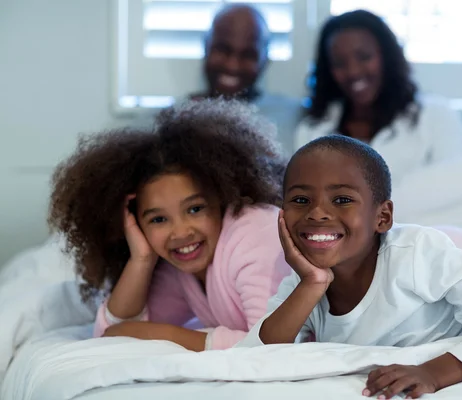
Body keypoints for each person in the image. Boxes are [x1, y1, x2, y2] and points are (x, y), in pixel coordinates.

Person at [238, 135, 462, 399]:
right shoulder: (302, 285)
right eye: (301, 200)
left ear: (383, 217)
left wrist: (435, 372)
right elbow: (256, 354)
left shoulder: (415, 253)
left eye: (342, 199)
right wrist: (312, 282)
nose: (317, 212)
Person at [48, 99, 290, 351]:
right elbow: (113, 333)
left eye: (195, 209)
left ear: (220, 197)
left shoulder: (256, 233)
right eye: (158, 219)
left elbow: (272, 345)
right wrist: (141, 259)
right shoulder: (180, 270)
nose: (181, 232)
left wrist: (164, 335)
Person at [295, 10, 462, 182]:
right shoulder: (312, 129)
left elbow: (461, 191)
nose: (353, 71)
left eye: (364, 57)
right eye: (339, 63)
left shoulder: (436, 116)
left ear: (387, 57)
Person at [183, 4, 301, 155]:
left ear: (265, 59)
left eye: (248, 55)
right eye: (223, 50)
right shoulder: (171, 119)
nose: (232, 65)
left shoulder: (294, 118)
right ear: (206, 47)